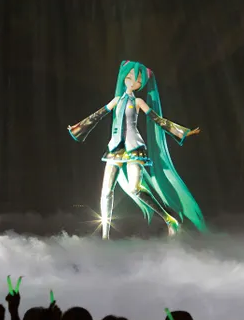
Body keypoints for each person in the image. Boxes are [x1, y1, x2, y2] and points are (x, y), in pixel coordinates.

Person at [68, 60, 207, 239]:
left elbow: (157, 119)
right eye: (131, 77)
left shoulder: (139, 101)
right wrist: (78, 129)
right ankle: (105, 236)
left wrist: (182, 132)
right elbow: (97, 115)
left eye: (139, 80)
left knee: (135, 188)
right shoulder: (117, 100)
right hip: (115, 148)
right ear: (124, 77)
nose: (134, 81)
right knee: (106, 191)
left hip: (134, 148)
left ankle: (169, 219)